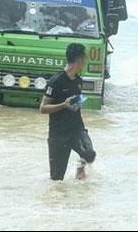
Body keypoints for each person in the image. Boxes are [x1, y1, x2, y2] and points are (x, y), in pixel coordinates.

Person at [40, 43, 96, 180]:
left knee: (89, 153)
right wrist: (64, 105)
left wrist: (78, 102)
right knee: (57, 179)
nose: (84, 63)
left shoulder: (78, 81)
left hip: (77, 129)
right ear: (80, 60)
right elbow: (43, 108)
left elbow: (76, 103)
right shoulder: (56, 81)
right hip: (58, 134)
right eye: (84, 60)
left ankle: (80, 167)